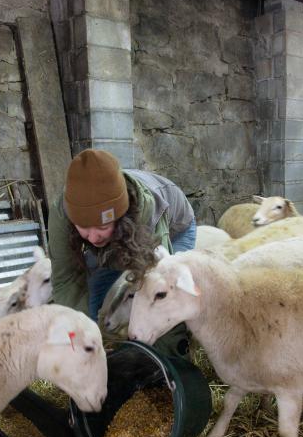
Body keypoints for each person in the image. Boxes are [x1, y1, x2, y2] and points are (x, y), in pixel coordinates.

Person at [47, 149, 196, 356]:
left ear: (119, 216)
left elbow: (161, 285)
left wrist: (173, 356)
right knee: (93, 295)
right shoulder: (62, 214)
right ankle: (101, 351)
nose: (92, 237)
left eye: (102, 226)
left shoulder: (147, 210)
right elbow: (66, 280)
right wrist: (78, 337)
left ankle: (170, 358)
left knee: (161, 293)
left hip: (174, 229)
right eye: (84, 227)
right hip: (116, 240)